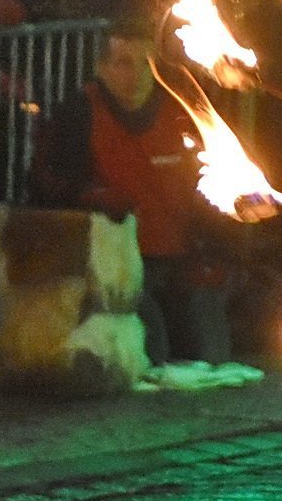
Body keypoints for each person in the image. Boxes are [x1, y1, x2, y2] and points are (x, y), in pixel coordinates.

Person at [30, 21, 231, 363]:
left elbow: (209, 188)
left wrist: (214, 245)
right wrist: (92, 199)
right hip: (117, 265)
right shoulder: (79, 114)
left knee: (210, 357)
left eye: (146, 64)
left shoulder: (182, 113)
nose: (136, 75)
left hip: (181, 256)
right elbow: (47, 185)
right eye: (123, 63)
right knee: (153, 353)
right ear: (101, 68)